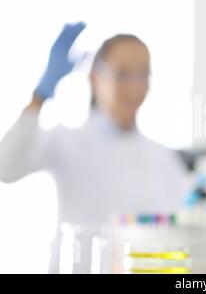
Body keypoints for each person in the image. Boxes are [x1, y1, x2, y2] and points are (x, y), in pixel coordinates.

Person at [0, 22, 189, 272]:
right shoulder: (65, 140)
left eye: (143, 74)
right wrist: (40, 95)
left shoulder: (163, 157)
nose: (135, 87)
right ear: (95, 76)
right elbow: (6, 167)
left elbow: (178, 235)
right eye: (123, 74)